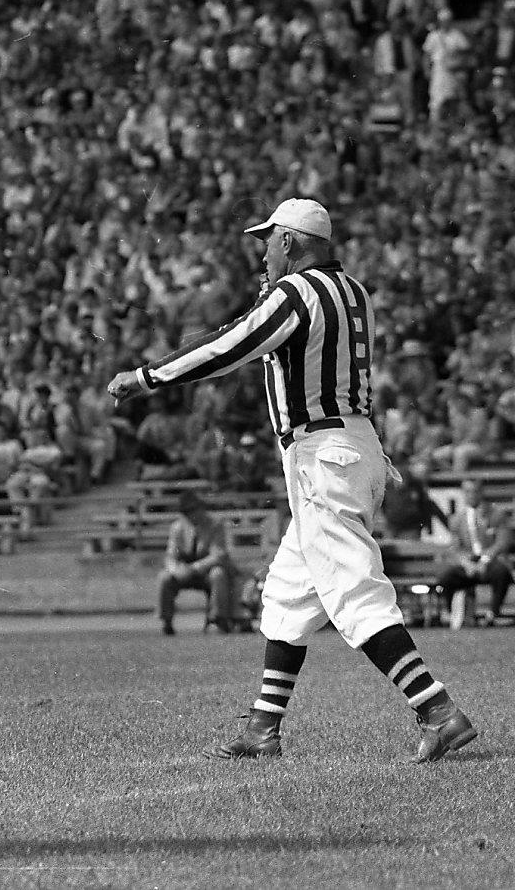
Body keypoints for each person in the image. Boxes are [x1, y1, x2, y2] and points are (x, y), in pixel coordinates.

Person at [107, 197, 476, 764]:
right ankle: (263, 727)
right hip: (350, 445)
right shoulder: (355, 292)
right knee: (287, 594)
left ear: (290, 241)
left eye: (268, 241)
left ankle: (436, 709)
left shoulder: (296, 294)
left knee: (353, 590)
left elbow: (231, 345)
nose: (263, 253)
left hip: (321, 452)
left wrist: (148, 376)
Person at [434, 478, 515, 628]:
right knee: (445, 576)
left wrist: (484, 560)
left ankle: (493, 614)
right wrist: (466, 563)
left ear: (481, 492)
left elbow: (502, 542)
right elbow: (455, 547)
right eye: (467, 491)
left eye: (475, 491)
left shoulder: (496, 514)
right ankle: (450, 614)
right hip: (469, 562)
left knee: (501, 572)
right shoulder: (457, 519)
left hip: (490, 560)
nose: (471, 495)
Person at [157, 489, 240, 635]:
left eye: (192, 510)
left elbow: (218, 555)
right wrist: (176, 570)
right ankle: (166, 621)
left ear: (200, 508)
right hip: (184, 572)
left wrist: (195, 568)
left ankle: (217, 619)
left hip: (207, 571)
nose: (190, 515)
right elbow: (170, 556)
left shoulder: (215, 524)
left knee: (218, 574)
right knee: (164, 577)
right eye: (186, 512)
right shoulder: (177, 528)